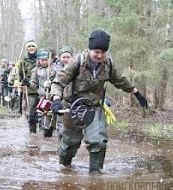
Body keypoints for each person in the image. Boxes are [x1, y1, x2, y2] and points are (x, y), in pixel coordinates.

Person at [50, 29, 148, 174]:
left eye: (103, 52)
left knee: (98, 141)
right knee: (70, 144)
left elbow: (119, 80)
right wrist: (56, 100)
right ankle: (64, 169)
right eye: (96, 51)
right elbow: (58, 82)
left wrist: (136, 92)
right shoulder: (77, 62)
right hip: (72, 108)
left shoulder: (108, 64)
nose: (100, 55)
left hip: (94, 108)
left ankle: (95, 176)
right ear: (90, 49)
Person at [50, 46, 74, 140]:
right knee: (61, 124)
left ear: (72, 57)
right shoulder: (56, 69)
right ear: (60, 58)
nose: (66, 59)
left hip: (76, 101)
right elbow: (56, 84)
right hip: (61, 100)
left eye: (68, 57)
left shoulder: (78, 68)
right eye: (64, 57)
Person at [18, 40, 39, 133]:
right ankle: (33, 133)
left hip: (41, 88)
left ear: (36, 48)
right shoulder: (23, 61)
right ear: (27, 49)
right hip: (30, 91)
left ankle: (45, 132)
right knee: (32, 112)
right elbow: (20, 75)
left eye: (33, 46)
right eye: (29, 46)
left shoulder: (41, 59)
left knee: (45, 111)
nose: (31, 48)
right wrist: (22, 82)